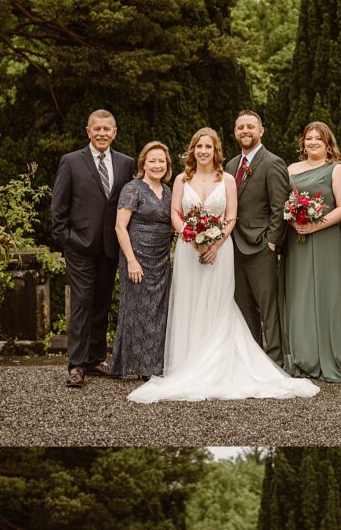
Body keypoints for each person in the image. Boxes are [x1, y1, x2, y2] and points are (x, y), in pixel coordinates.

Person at [127, 128, 318, 403]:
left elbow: (231, 218)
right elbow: (175, 214)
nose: (203, 151)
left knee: (218, 304)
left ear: (215, 150)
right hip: (188, 251)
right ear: (192, 150)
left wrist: (214, 244)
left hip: (220, 250)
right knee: (189, 303)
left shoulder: (227, 178)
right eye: (198, 146)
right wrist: (192, 238)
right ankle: (187, 362)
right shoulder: (182, 179)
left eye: (208, 146)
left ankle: (222, 362)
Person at [51, 109, 135, 388]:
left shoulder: (126, 163)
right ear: (88, 131)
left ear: (114, 132)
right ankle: (76, 365)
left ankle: (95, 358)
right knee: (82, 303)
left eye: (106, 129)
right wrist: (70, 241)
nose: (102, 134)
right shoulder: (71, 161)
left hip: (110, 248)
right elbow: (58, 212)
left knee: (101, 302)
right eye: (96, 129)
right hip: (80, 247)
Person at [281, 122, 341, 382]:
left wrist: (314, 225)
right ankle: (304, 358)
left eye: (319, 138)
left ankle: (333, 356)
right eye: (309, 138)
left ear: (328, 143)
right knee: (299, 296)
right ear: (302, 142)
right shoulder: (291, 169)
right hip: (296, 241)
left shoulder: (336, 169)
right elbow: (284, 203)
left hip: (325, 238)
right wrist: (293, 220)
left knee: (328, 297)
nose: (313, 142)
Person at [226, 110, 290, 367]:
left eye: (250, 126)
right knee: (243, 308)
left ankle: (275, 361)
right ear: (235, 132)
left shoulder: (272, 162)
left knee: (269, 307)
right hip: (233, 246)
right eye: (241, 127)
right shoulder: (231, 166)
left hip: (261, 245)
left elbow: (279, 206)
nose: (245, 131)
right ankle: (252, 361)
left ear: (261, 130)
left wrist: (272, 242)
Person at [110, 142, 173, 379]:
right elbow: (119, 227)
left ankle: (154, 365)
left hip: (160, 258)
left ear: (167, 165)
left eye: (161, 161)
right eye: (152, 161)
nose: (157, 165)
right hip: (136, 256)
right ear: (143, 163)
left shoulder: (168, 192)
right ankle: (133, 365)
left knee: (158, 311)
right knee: (136, 309)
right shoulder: (132, 188)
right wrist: (131, 260)